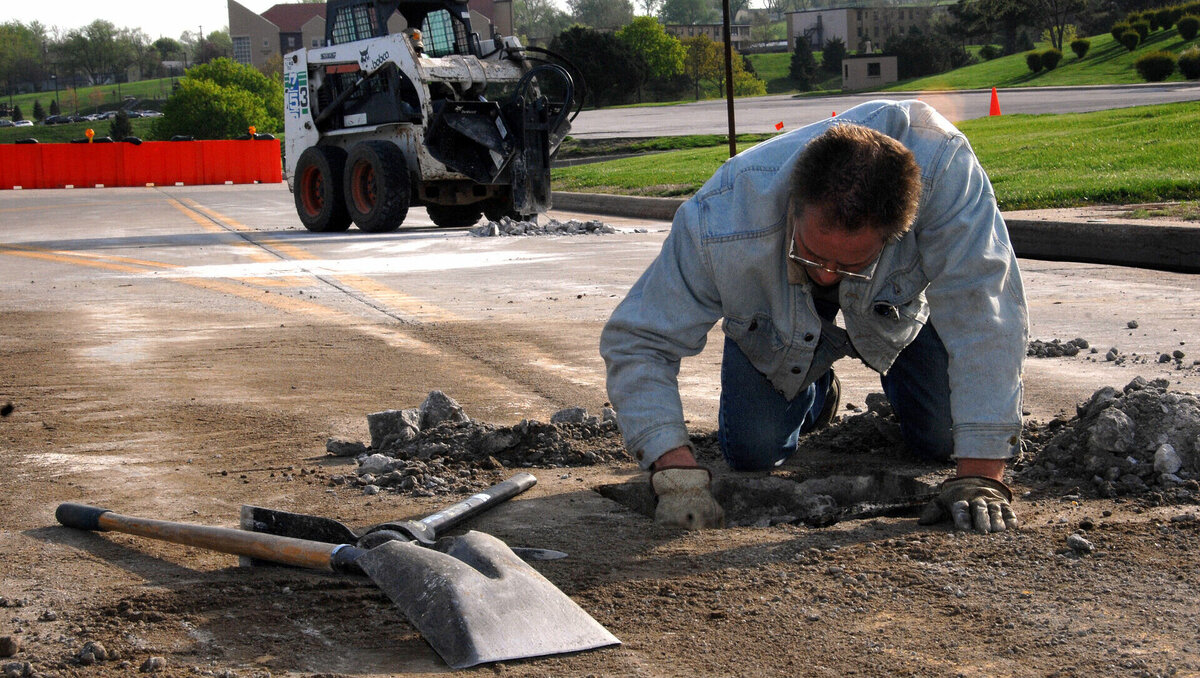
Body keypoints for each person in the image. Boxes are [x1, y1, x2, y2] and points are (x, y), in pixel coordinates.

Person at [600, 99, 1028, 534]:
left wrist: (981, 474)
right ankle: (817, 388)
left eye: (848, 263)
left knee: (944, 438)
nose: (826, 275)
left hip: (892, 308)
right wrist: (673, 470)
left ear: (897, 233)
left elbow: (984, 313)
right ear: (794, 206)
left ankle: (895, 369)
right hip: (778, 313)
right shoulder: (721, 218)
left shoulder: (946, 173)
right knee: (754, 452)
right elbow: (639, 340)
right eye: (813, 253)